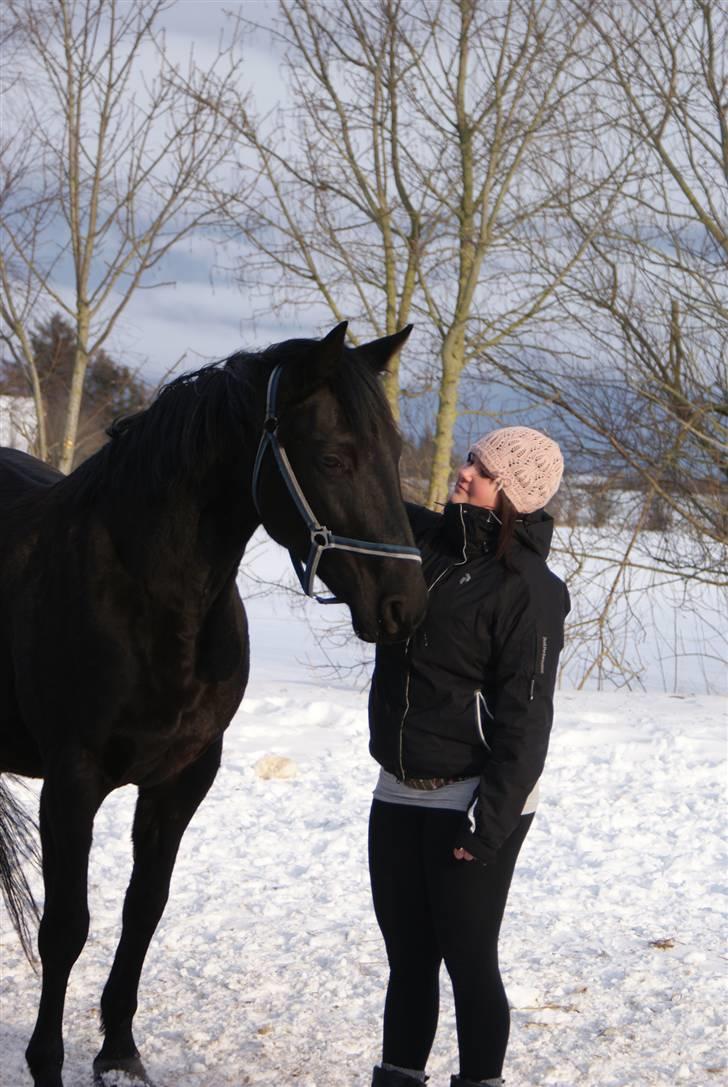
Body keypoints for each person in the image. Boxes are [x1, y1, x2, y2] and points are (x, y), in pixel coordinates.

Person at [368, 426, 570, 1087]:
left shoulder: (528, 589)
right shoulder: (425, 545)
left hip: (476, 797)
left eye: (479, 469)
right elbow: (357, 498)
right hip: (399, 786)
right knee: (409, 960)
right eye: (469, 460)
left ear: (508, 494)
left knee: (468, 961)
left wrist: (490, 823)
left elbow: (526, 721)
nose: (462, 471)